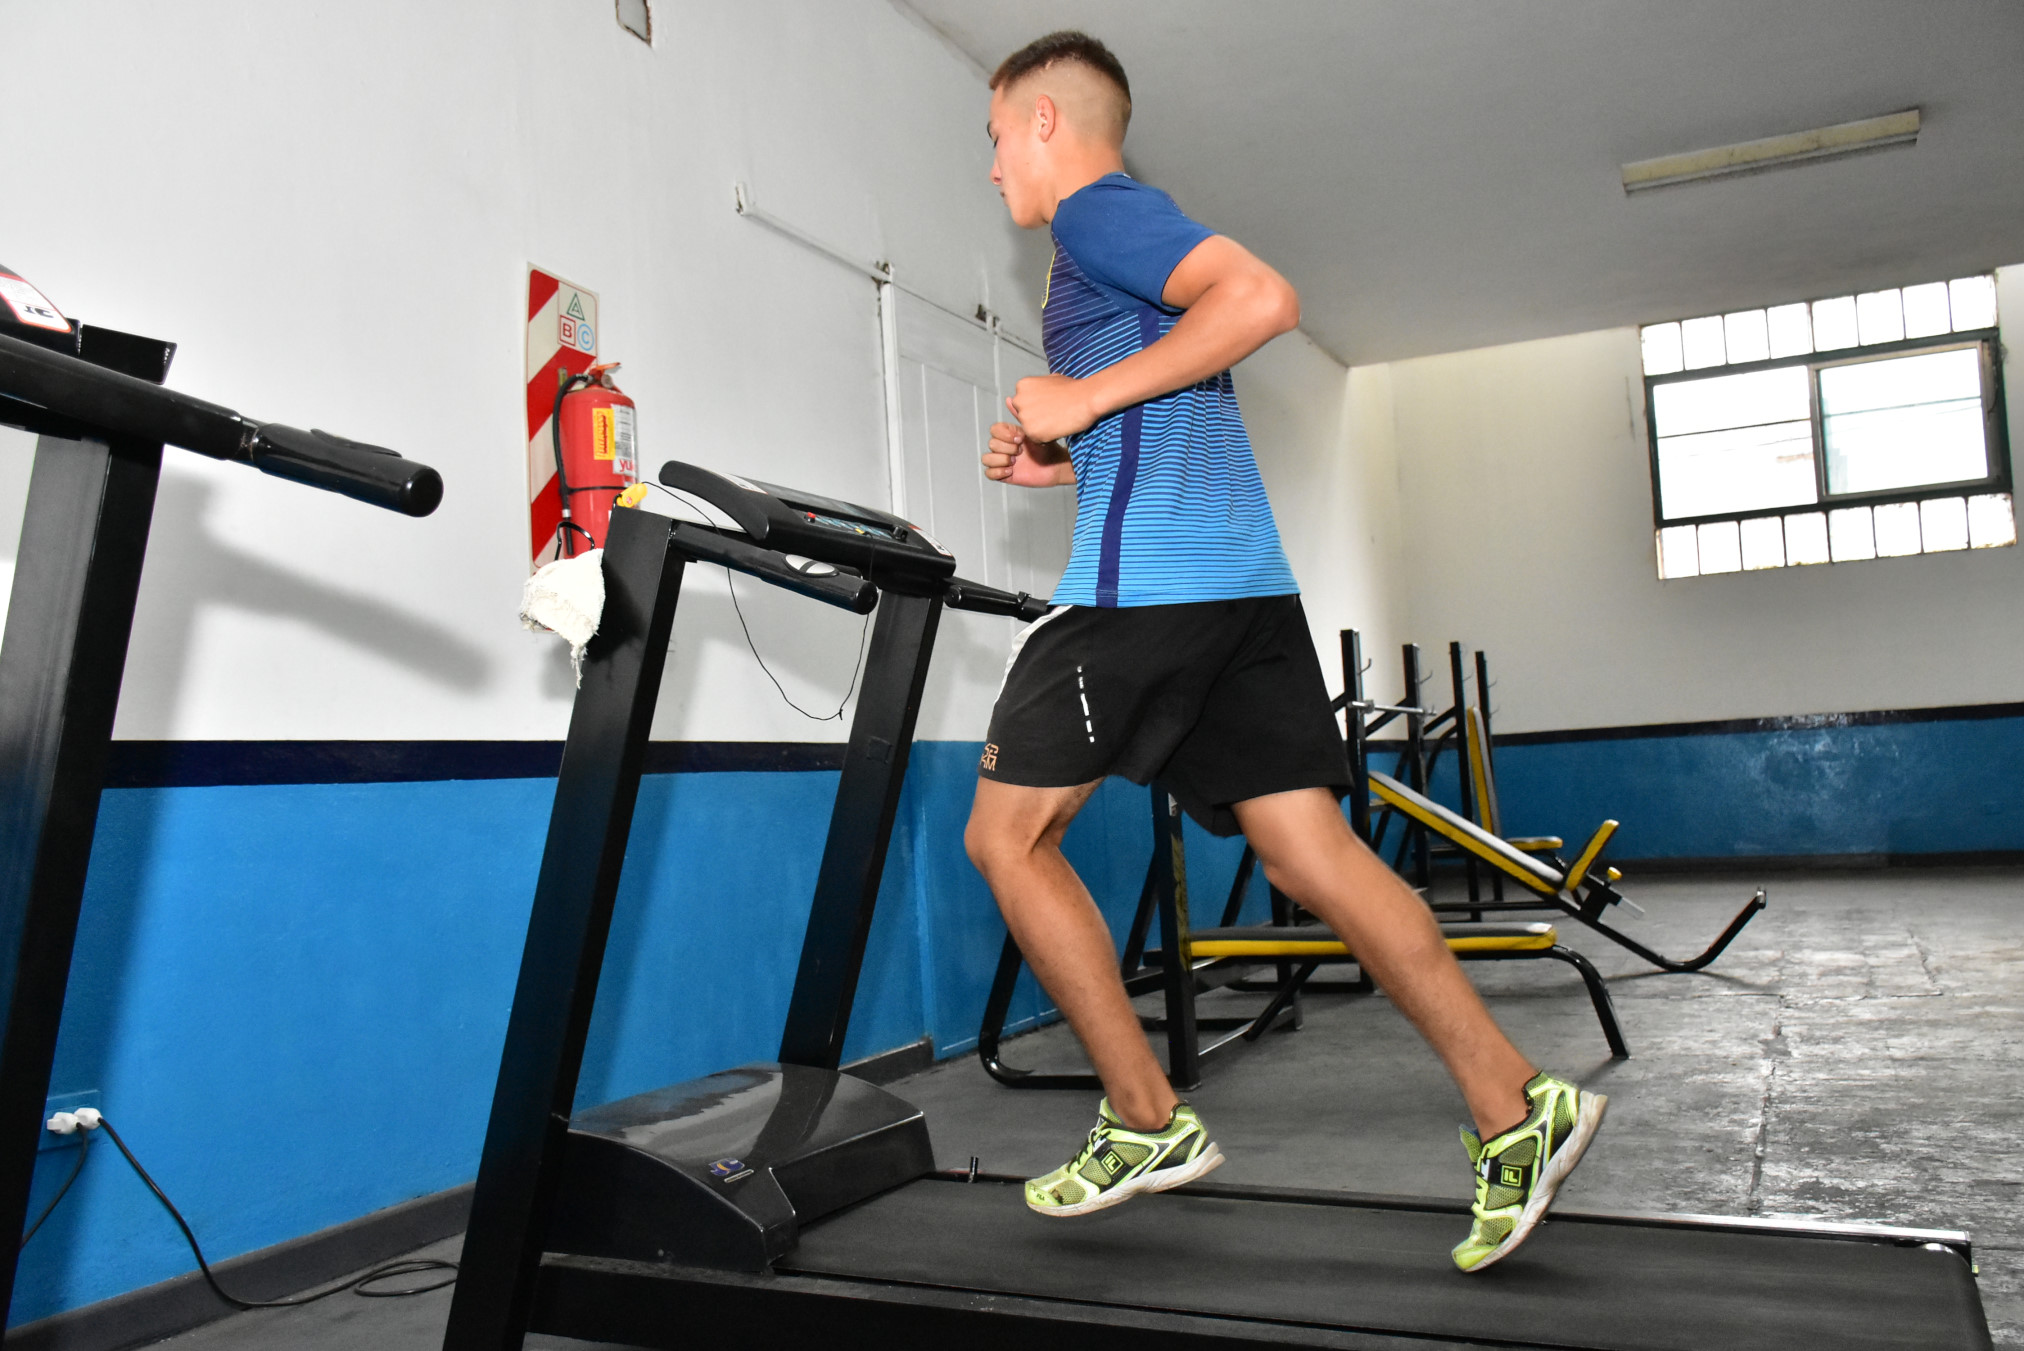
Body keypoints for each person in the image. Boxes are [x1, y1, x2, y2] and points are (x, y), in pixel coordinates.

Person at [963, 30, 1606, 1273]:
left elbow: (1261, 299)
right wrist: (1069, 457)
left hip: (1146, 597)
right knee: (1311, 854)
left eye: (995, 139)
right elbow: (1174, 405)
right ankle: (1513, 1105)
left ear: (1043, 121)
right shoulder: (1110, 249)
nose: (992, 168)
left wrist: (1079, 401)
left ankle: (1143, 1118)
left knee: (1006, 836)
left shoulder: (1096, 215)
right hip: (1241, 593)